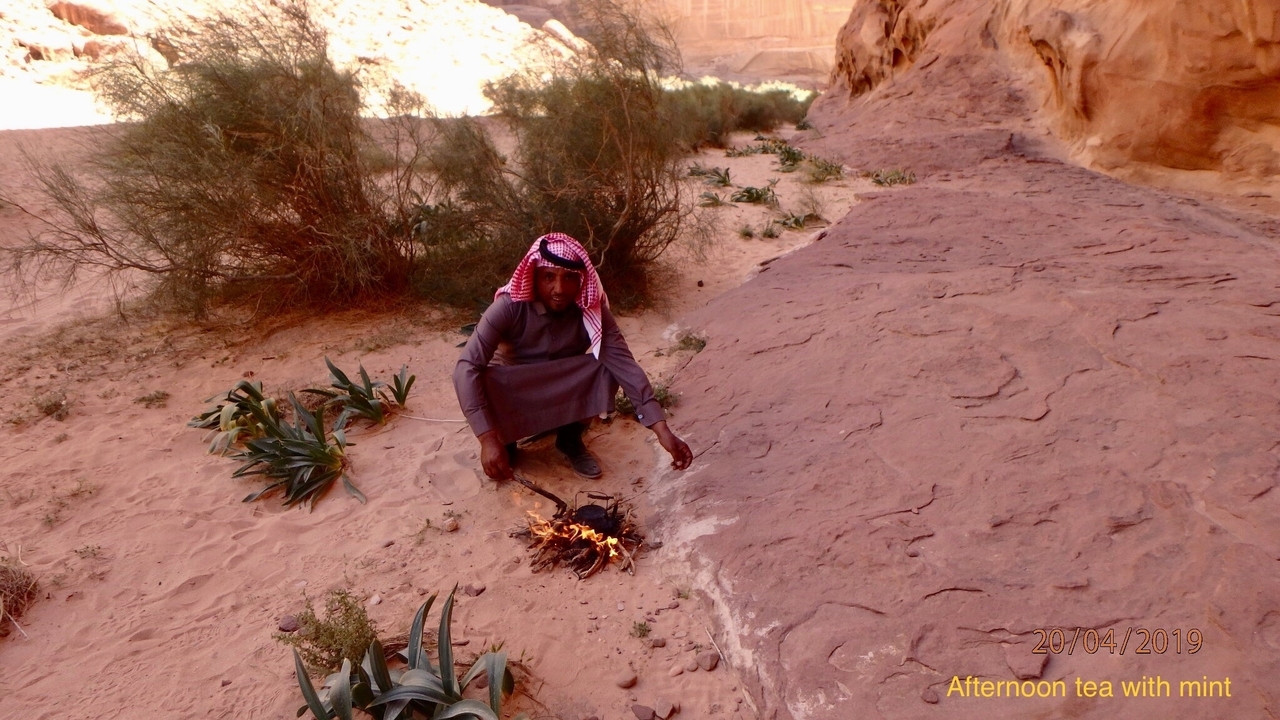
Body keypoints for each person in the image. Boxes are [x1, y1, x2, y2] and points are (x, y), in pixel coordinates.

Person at [453, 233, 693, 481]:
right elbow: (465, 367)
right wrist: (487, 438)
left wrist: (661, 429)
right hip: (516, 389)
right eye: (549, 277)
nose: (559, 289)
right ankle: (506, 442)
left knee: (606, 366)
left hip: (563, 384)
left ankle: (570, 439)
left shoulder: (591, 309)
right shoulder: (509, 307)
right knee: (483, 378)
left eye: (569, 277)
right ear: (534, 277)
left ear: (580, 280)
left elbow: (624, 364)